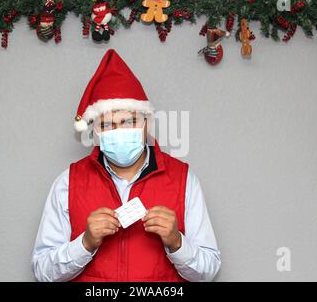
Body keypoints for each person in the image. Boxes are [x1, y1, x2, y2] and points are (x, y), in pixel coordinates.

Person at [32, 49, 221, 282]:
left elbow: (208, 271)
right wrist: (85, 243)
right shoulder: (68, 182)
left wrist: (177, 242)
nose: (118, 131)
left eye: (128, 121)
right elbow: (43, 272)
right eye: (107, 125)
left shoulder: (183, 179)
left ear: (147, 123)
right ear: (95, 132)